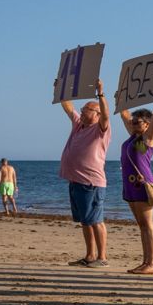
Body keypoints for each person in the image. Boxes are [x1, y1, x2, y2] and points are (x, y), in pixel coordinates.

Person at [118, 93, 153, 275]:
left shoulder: (146, 140)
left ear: (147, 124)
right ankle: (145, 262)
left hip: (143, 186)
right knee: (141, 225)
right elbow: (125, 116)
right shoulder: (133, 138)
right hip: (130, 186)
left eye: (137, 122)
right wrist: (120, 100)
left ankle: (152, 264)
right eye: (133, 122)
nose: (133, 123)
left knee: (147, 225)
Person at [57, 83, 111, 266]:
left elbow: (105, 115)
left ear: (95, 113)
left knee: (96, 220)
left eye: (85, 109)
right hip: (76, 181)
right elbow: (68, 107)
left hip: (91, 183)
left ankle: (102, 257)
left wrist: (101, 94)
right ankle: (89, 256)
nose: (81, 111)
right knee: (85, 221)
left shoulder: (100, 129)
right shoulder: (79, 124)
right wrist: (62, 89)